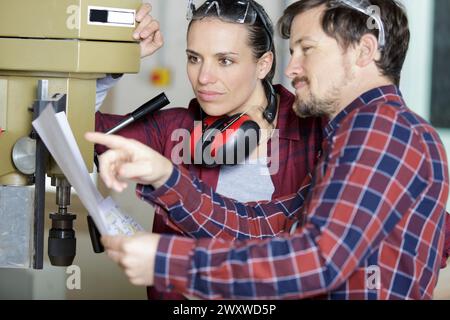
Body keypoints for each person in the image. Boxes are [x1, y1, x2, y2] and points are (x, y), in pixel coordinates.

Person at [87, 0, 450, 299]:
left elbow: (316, 259)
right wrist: (167, 177)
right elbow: (270, 228)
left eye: (306, 49)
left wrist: (168, 260)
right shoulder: (353, 133)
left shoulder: (369, 129)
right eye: (194, 58)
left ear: (364, 50)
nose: (291, 68)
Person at [95, 0, 325, 299]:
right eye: (194, 58)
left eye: (225, 60)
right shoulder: (175, 129)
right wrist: (114, 62)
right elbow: (74, 128)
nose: (203, 77)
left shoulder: (314, 130)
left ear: (263, 64)